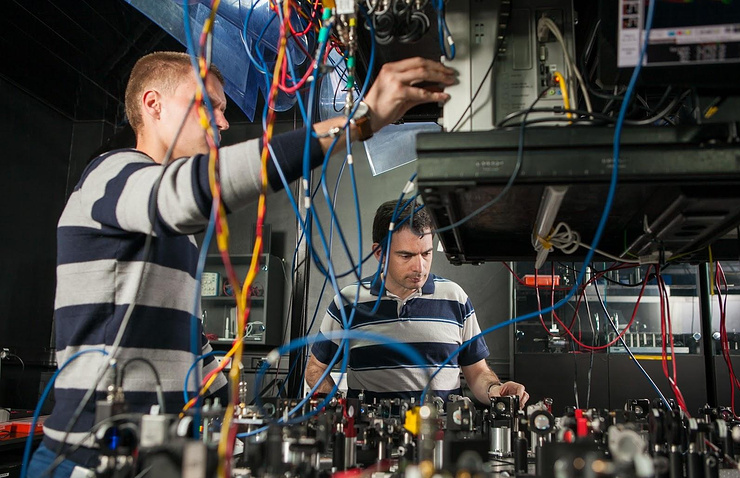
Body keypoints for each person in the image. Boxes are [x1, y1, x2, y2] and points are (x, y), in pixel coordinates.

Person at [28, 51, 456, 476]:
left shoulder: (175, 228)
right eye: (207, 104)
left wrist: (245, 417)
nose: (222, 121)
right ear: (152, 104)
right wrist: (357, 122)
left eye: (224, 109)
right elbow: (195, 188)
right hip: (88, 460)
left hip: (156, 458)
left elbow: (189, 341)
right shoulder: (111, 176)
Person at [306, 200, 529, 407]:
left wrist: (495, 389)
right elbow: (315, 368)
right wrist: (337, 405)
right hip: (372, 442)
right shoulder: (348, 303)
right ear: (379, 253)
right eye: (406, 256)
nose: (420, 267)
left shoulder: (455, 298)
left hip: (441, 439)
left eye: (426, 254)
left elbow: (477, 372)